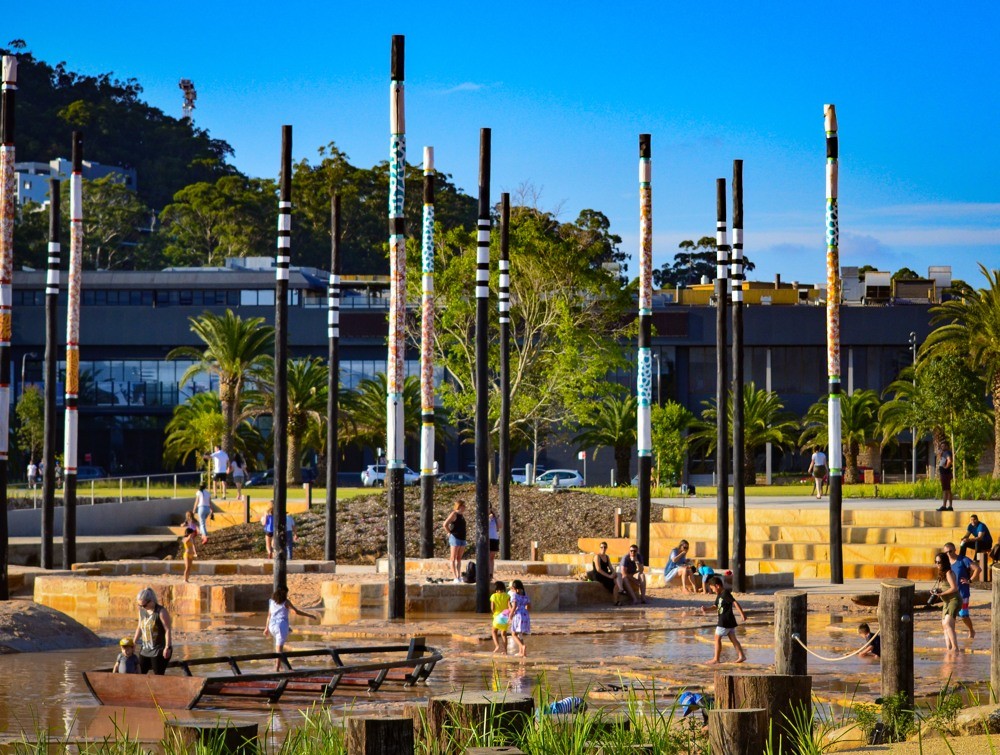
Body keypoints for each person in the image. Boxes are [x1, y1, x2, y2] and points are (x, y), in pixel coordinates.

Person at [264, 587, 317, 671]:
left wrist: (266, 628)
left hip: (271, 626)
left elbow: (269, 616)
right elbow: (296, 612)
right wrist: (310, 615)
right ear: (284, 593)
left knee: (278, 645)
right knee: (279, 650)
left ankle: (279, 666)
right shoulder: (286, 602)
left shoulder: (271, 601)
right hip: (280, 626)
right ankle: (277, 669)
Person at [700, 575, 746, 664]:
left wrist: (742, 614)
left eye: (713, 588)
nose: (712, 591)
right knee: (733, 639)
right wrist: (707, 609)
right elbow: (715, 606)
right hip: (728, 621)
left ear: (717, 586)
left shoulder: (725, 593)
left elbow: (735, 602)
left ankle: (716, 659)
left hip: (725, 620)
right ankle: (741, 656)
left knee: (717, 638)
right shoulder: (719, 595)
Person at [944, 541, 981, 639]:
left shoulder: (963, 560)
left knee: (964, 615)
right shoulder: (946, 563)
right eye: (946, 552)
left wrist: (970, 580)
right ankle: (952, 635)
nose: (948, 554)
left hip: (963, 593)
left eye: (950, 551)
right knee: (951, 616)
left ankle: (971, 630)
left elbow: (978, 569)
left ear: (955, 550)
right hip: (951, 594)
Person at [132, 587, 173, 674]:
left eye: (144, 605)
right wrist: (134, 642)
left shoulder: (161, 612)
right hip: (145, 649)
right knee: (139, 673)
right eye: (140, 605)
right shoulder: (142, 611)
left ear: (151, 601)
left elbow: (167, 630)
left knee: (158, 674)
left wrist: (167, 647)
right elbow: (139, 627)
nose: (142, 607)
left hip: (158, 650)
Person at [931, 552, 961, 653]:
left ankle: (955, 648)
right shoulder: (942, 573)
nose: (937, 564)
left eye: (939, 562)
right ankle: (949, 648)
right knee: (944, 624)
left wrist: (942, 593)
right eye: (936, 562)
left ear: (944, 562)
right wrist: (937, 591)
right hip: (946, 601)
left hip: (953, 600)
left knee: (948, 624)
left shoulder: (949, 572)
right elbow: (945, 587)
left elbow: (954, 588)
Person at [442, 500, 468, 583]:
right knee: (453, 558)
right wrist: (449, 532)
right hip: (455, 537)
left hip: (462, 538)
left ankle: (459, 575)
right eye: (464, 505)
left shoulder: (462, 515)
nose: (465, 507)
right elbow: (445, 524)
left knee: (459, 558)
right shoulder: (454, 514)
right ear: (460, 506)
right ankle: (455, 576)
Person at [508, 579, 531, 658]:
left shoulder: (515, 595)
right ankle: (522, 652)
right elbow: (528, 606)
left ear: (515, 588)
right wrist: (525, 613)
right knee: (520, 634)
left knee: (513, 633)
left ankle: (522, 646)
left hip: (518, 615)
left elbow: (514, 606)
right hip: (525, 614)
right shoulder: (525, 595)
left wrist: (510, 615)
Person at [490, 580, 510, 655]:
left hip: (497, 615)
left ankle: (497, 646)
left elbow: (492, 608)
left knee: (494, 631)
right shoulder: (507, 596)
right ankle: (505, 650)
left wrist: (494, 613)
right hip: (505, 616)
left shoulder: (493, 596)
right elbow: (509, 606)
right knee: (504, 633)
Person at [181, 511, 198, 583]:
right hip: (187, 554)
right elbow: (185, 541)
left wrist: (195, 553)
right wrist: (189, 536)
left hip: (191, 554)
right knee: (187, 567)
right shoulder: (185, 539)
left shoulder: (191, 539)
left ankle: (187, 579)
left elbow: (194, 545)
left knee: (189, 568)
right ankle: (184, 579)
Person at [937, 445, 954, 512]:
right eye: (941, 446)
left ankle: (945, 506)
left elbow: (949, 460)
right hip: (945, 474)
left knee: (945, 490)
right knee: (948, 490)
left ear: (947, 446)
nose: (942, 447)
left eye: (943, 446)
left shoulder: (947, 452)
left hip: (945, 474)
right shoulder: (944, 453)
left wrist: (946, 467)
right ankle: (949, 506)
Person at [487, 507, 501, 579]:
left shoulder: (494, 518)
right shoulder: (483, 516)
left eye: (490, 508)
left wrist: (496, 516)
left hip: (494, 538)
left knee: (492, 557)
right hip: (487, 538)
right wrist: (489, 519)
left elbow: (500, 525)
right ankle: (486, 573)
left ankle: (491, 574)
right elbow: (484, 526)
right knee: (487, 556)